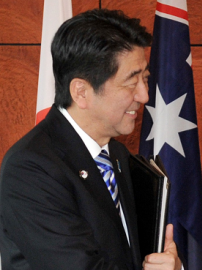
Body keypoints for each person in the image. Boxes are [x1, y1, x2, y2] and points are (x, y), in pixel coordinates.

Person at [0, 9, 181, 270]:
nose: (144, 95)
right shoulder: (31, 168)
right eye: (131, 82)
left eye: (145, 79)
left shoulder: (117, 155)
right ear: (81, 92)